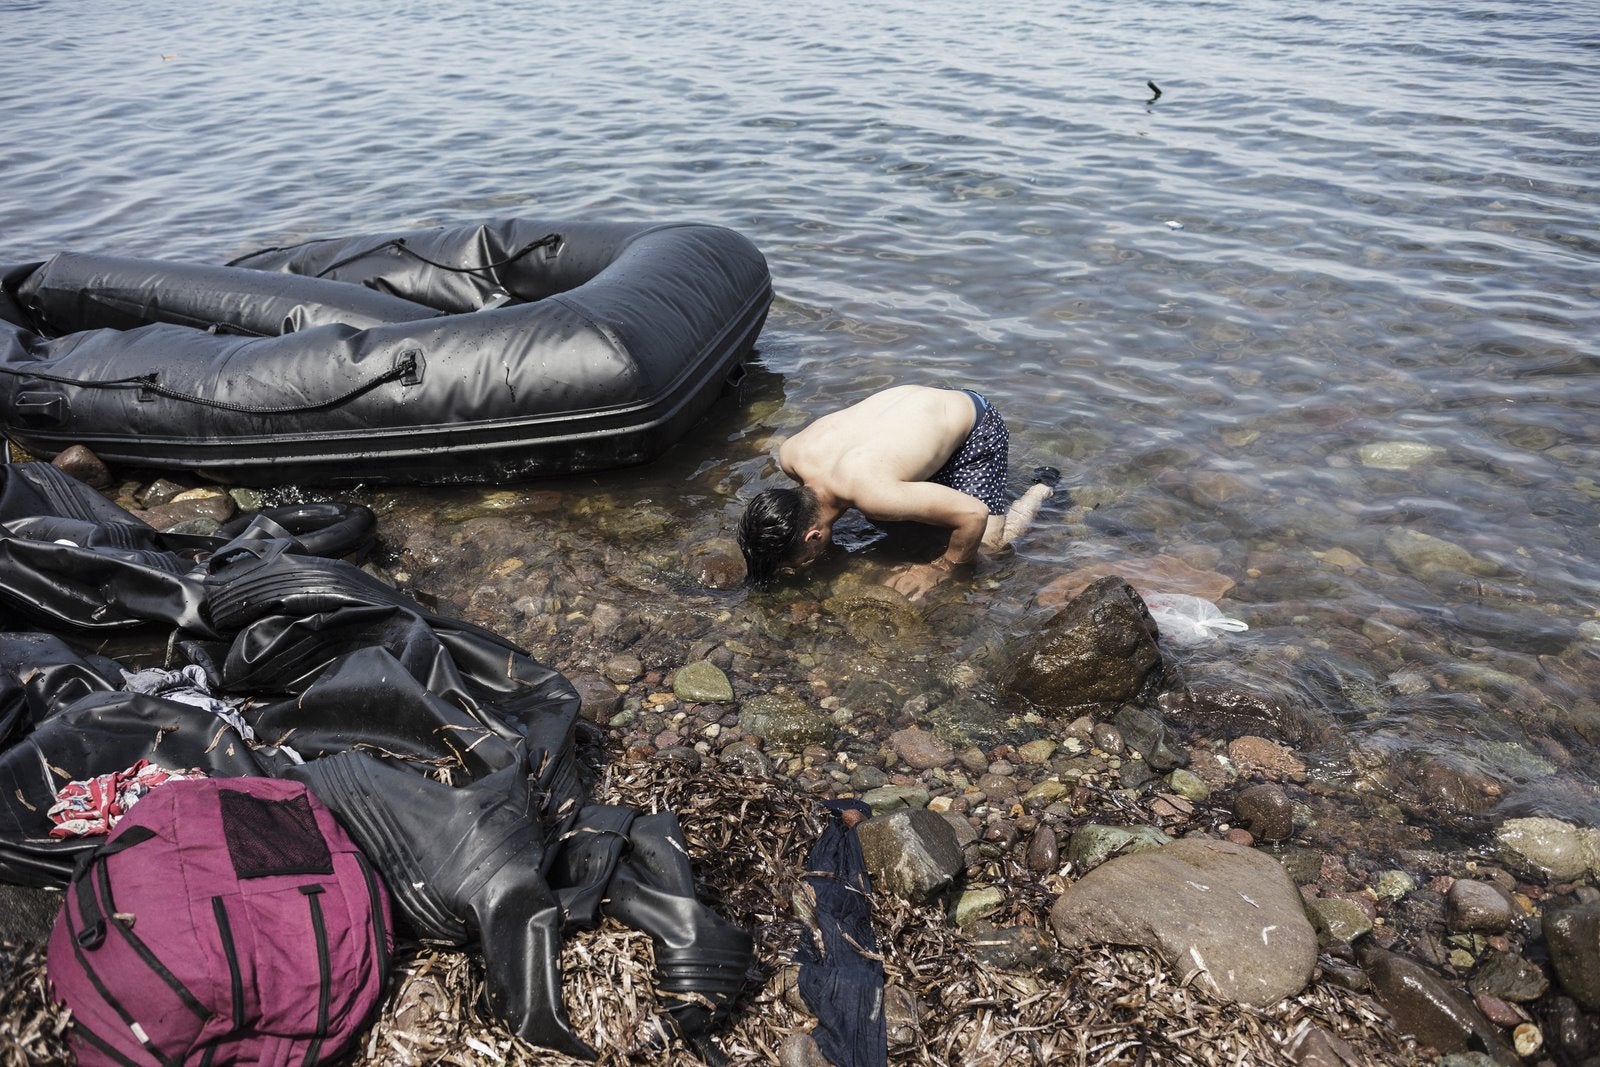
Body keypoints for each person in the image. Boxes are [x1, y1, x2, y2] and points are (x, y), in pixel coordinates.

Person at [737, 384, 1058, 600]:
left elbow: (974, 514)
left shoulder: (874, 496)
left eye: (800, 562)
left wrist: (940, 569)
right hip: (919, 406)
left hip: (976, 427)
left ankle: (1042, 488)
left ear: (813, 536)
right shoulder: (791, 455)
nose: (803, 567)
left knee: (989, 547)